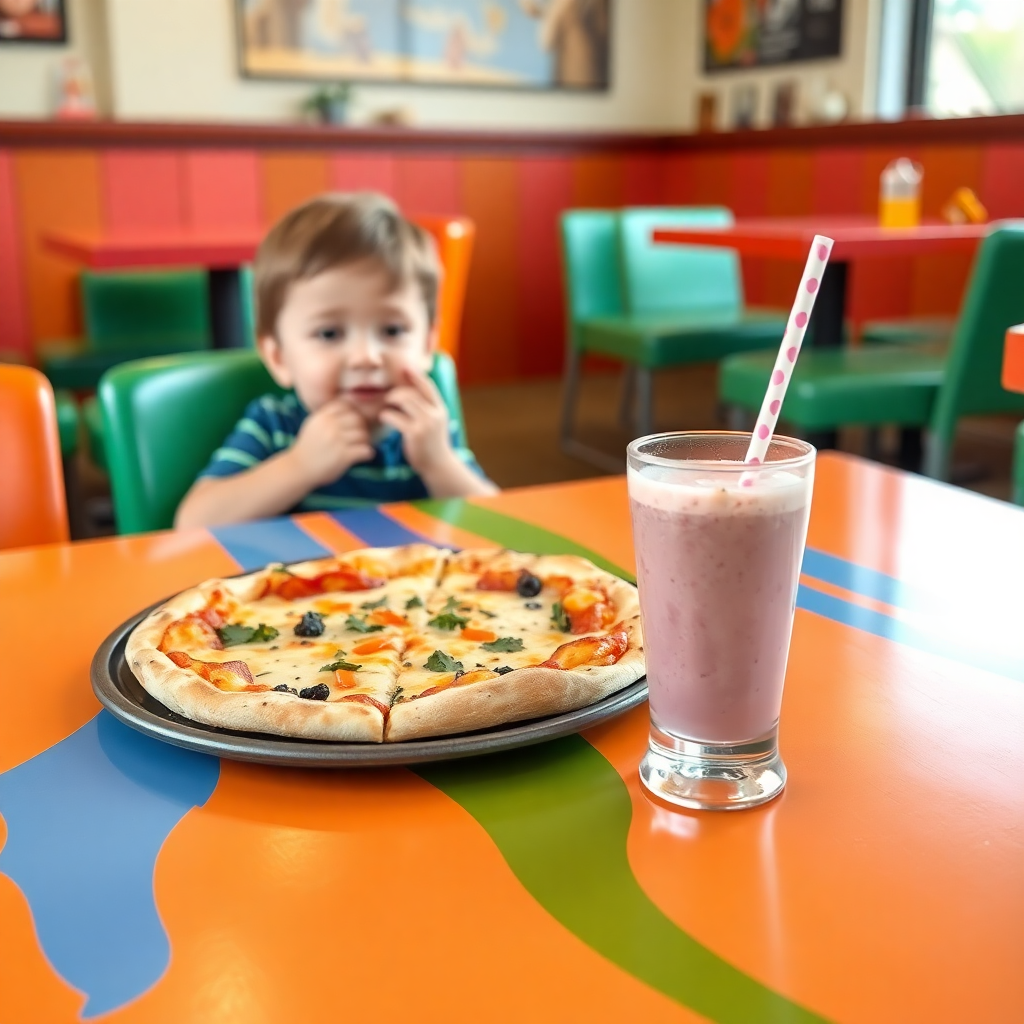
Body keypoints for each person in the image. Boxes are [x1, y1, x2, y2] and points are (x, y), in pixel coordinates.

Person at [175, 192, 496, 529]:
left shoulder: (425, 428)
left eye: (391, 330)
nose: (366, 357)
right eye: (329, 334)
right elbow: (193, 522)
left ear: (427, 345)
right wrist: (299, 466)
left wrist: (439, 463)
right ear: (279, 357)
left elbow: (499, 524)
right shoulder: (275, 426)